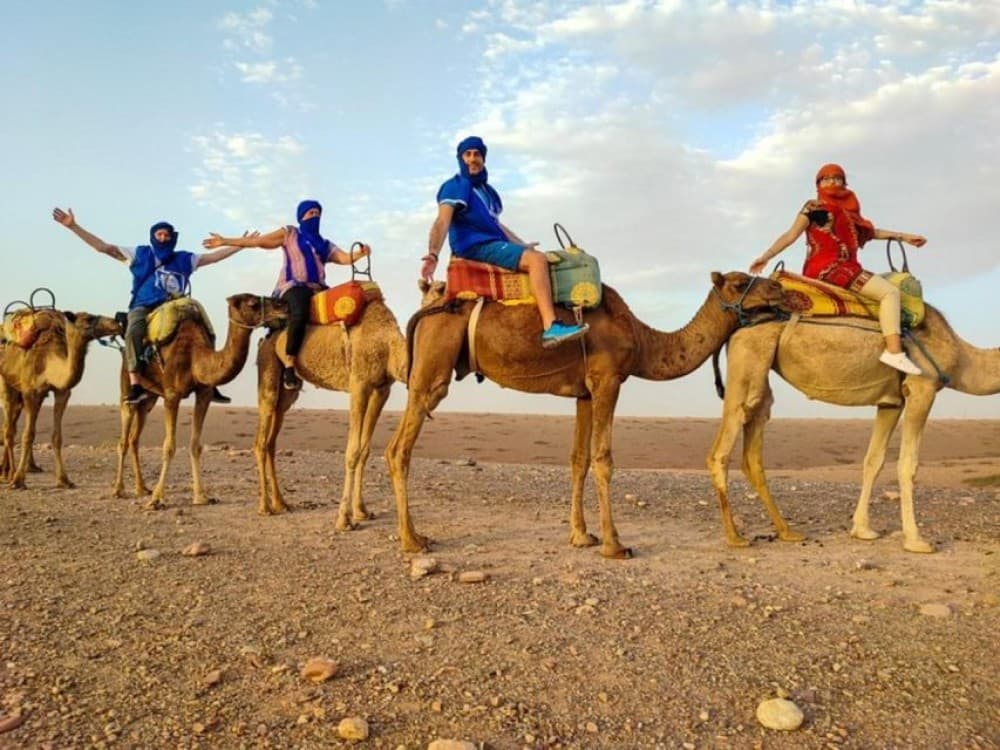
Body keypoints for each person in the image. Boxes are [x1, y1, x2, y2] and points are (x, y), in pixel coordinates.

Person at [52, 207, 246, 404]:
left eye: (166, 235)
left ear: (172, 237)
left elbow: (213, 258)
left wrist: (242, 245)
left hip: (178, 306)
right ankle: (136, 383)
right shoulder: (139, 254)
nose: (163, 238)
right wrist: (74, 227)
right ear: (153, 237)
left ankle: (209, 382)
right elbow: (103, 247)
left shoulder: (185, 259)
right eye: (159, 234)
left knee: (205, 327)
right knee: (134, 330)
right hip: (144, 306)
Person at [750, 163, 927, 375]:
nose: (832, 182)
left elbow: (872, 232)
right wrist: (766, 256)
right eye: (826, 178)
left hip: (846, 268)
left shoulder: (852, 216)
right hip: (832, 269)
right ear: (818, 184)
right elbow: (791, 235)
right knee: (890, 292)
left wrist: (905, 237)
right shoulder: (815, 207)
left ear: (844, 183)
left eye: (837, 178)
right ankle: (894, 351)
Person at [422, 136, 589, 348]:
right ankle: (551, 327)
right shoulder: (455, 187)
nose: (473, 159)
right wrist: (433, 253)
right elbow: (442, 221)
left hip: (491, 241)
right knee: (537, 261)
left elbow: (497, 225)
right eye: (468, 154)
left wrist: (522, 245)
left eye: (477, 154)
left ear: (483, 158)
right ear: (460, 158)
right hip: (475, 246)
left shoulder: (485, 191)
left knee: (539, 256)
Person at [202, 200, 370, 391]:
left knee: (346, 308)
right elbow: (259, 241)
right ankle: (290, 363)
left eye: (317, 213)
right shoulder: (290, 233)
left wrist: (360, 254)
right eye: (310, 213)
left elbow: (344, 258)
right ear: (301, 217)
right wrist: (226, 241)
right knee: (299, 312)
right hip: (293, 287)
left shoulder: (324, 244)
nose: (314, 216)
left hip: (319, 288)